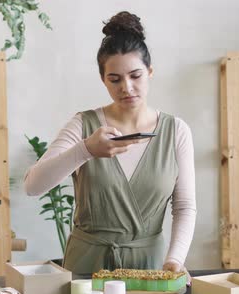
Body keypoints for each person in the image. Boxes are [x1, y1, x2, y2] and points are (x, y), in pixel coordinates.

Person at [24, 11, 196, 277]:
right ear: (103, 79)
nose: (126, 87)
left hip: (148, 269)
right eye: (114, 79)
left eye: (135, 75)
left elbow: (184, 206)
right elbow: (33, 186)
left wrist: (174, 259)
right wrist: (85, 150)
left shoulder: (176, 131)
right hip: (85, 268)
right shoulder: (83, 125)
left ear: (150, 72)